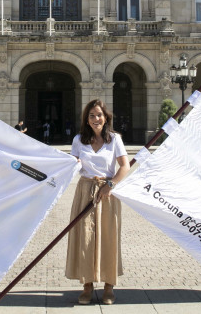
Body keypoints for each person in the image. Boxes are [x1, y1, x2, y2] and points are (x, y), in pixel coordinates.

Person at [65, 99, 130, 305]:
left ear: (106, 117)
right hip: (85, 191)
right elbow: (73, 164)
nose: (96, 119)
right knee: (85, 239)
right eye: (91, 115)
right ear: (86, 119)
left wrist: (110, 185)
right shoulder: (78, 140)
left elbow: (124, 166)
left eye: (99, 115)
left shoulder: (114, 139)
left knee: (108, 237)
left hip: (107, 193)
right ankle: (87, 286)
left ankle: (109, 287)